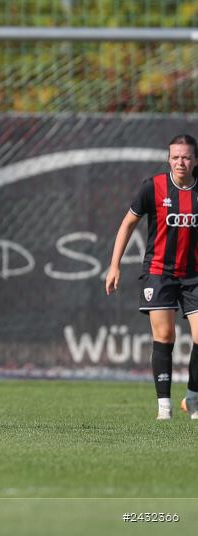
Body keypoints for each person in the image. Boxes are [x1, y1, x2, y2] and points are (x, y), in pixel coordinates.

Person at [106, 134, 198, 421]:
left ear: (195, 160)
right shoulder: (153, 187)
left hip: (194, 275)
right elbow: (127, 223)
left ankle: (193, 398)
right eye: (175, 157)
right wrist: (114, 265)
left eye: (185, 157)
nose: (180, 162)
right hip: (159, 273)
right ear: (168, 158)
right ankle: (164, 407)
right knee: (165, 335)